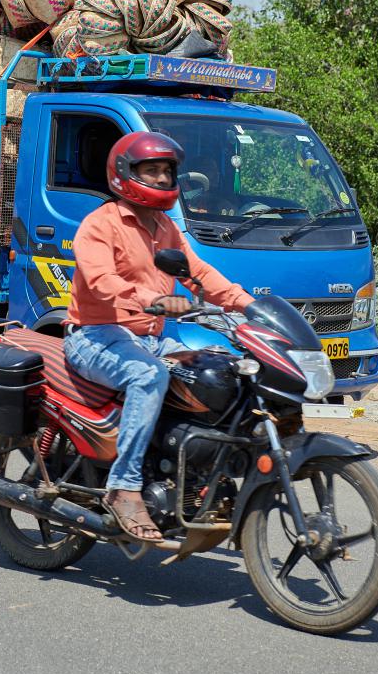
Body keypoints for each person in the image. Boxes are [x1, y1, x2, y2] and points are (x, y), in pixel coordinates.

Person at [64, 132, 253, 540]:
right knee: (149, 376)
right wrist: (151, 298)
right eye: (153, 170)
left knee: (220, 370)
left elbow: (196, 271)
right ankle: (124, 486)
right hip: (94, 335)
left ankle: (200, 473)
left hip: (149, 337)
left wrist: (248, 305)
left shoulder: (164, 227)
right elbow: (101, 281)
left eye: (168, 171)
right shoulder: (100, 224)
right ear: (124, 173)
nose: (164, 178)